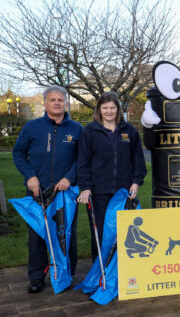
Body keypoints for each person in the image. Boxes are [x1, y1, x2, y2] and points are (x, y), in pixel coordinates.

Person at [12, 85, 83, 293]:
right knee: (37, 235)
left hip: (65, 194)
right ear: (45, 103)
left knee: (65, 234)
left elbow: (83, 159)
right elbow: (18, 153)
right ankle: (37, 277)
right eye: (52, 100)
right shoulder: (32, 128)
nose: (57, 103)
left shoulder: (77, 129)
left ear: (66, 103)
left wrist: (70, 178)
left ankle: (66, 273)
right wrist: (30, 176)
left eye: (61, 99)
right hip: (37, 191)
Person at [76, 92, 146, 263]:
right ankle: (101, 273)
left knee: (124, 234)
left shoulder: (130, 132)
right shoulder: (89, 131)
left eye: (112, 108)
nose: (109, 111)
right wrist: (85, 187)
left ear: (118, 109)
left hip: (123, 192)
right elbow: (83, 162)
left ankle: (121, 273)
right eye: (105, 107)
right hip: (99, 193)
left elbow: (138, 162)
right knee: (101, 234)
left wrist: (136, 183)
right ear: (99, 109)